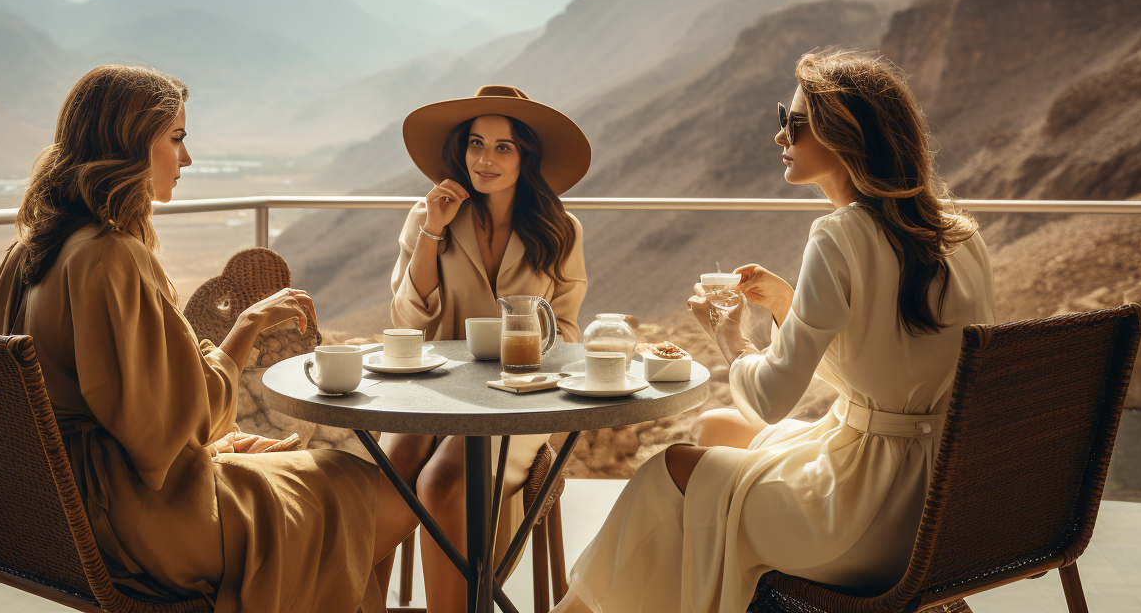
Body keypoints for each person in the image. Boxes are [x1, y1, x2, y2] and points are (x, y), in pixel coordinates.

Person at [555, 50, 995, 613]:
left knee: (666, 475)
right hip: (946, 496)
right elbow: (892, 365)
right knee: (715, 426)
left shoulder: (840, 235)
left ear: (843, 137)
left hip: (868, 514)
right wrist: (791, 303)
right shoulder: (959, 235)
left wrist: (730, 339)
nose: (778, 135)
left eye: (793, 123)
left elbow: (770, 402)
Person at [0, 64, 418, 613]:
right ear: (130, 146)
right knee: (358, 487)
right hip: (137, 520)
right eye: (176, 138)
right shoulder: (109, 256)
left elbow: (134, 415)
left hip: (65, 506)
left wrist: (210, 442)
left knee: (320, 485)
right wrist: (245, 335)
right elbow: (169, 430)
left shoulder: (29, 254)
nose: (186, 158)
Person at [380, 85, 590, 613]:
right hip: (435, 392)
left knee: (446, 480)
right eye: (476, 143)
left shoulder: (560, 231)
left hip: (520, 397)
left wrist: (522, 348)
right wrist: (432, 231)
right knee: (393, 464)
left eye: (503, 147)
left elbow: (566, 331)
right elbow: (408, 322)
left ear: (526, 157)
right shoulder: (428, 216)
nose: (484, 158)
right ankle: (362, 603)